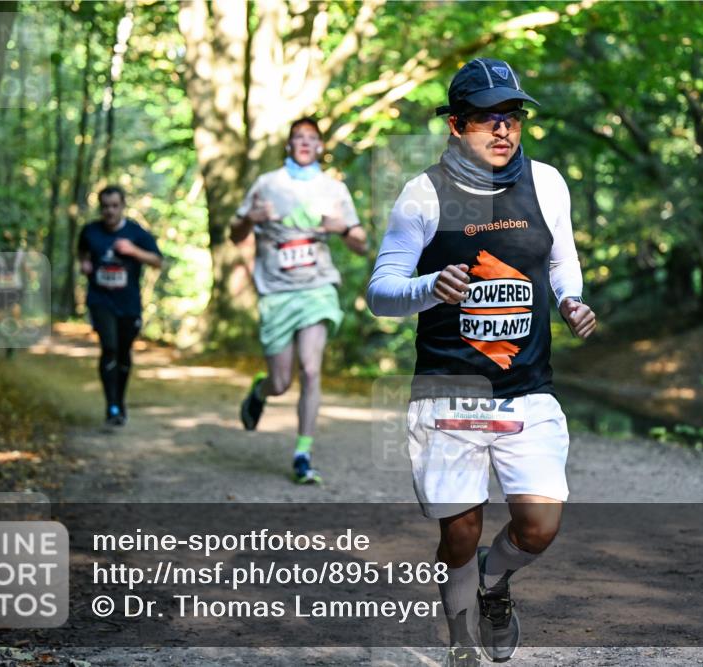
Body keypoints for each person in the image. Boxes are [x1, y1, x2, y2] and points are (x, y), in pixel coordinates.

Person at [366, 58, 597, 666]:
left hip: (526, 388)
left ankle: (496, 587)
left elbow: (560, 260)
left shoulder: (547, 183)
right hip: (448, 389)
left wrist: (570, 298)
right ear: (455, 126)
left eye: (512, 117)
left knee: (539, 526)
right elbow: (380, 291)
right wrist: (427, 287)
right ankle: (461, 642)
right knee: (460, 530)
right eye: (486, 120)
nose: (503, 130)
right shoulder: (423, 193)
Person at [232, 116, 368, 484]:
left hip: (317, 288)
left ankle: (302, 453)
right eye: (298, 138)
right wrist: (250, 218)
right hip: (276, 291)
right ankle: (261, 390)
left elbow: (360, 242)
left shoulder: (333, 190)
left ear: (321, 147)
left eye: (312, 138)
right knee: (281, 382)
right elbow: (234, 233)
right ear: (289, 145)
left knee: (310, 369)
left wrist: (341, 228)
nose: (305, 143)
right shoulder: (267, 184)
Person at [78, 185, 163, 426]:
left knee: (124, 353)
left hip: (128, 304)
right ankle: (111, 406)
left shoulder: (137, 233)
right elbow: (82, 252)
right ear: (100, 208)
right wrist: (84, 264)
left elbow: (158, 261)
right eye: (105, 207)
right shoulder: (90, 231)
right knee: (110, 348)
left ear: (123, 206)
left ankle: (120, 401)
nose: (110, 212)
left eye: (115, 206)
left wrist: (134, 251)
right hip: (100, 300)